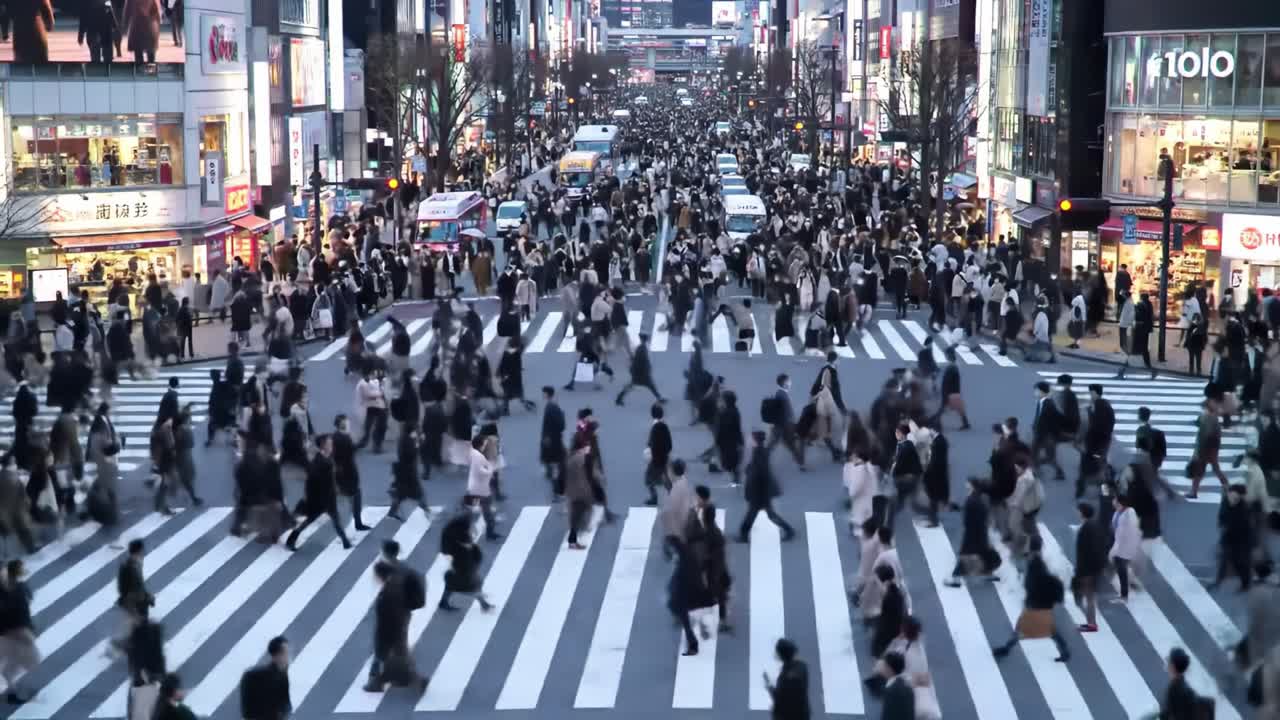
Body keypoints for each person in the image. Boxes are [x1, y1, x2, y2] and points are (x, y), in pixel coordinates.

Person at [992, 535, 1070, 662]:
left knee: (1025, 626)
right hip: (1037, 601)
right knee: (1044, 627)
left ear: (1031, 547)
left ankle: (1007, 648)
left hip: (1036, 602)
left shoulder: (1036, 563)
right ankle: (1064, 650)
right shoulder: (1035, 560)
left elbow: (1039, 581)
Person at [285, 435, 353, 551]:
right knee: (310, 520)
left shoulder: (325, 459)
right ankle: (291, 540)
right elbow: (312, 481)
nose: (332, 446)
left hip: (328, 498)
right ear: (323, 446)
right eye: (329, 444)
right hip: (320, 500)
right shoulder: (320, 462)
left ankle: (346, 542)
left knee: (336, 520)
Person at [738, 430, 796, 542]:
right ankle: (788, 530)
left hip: (759, 489)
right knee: (762, 513)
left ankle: (744, 535)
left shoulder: (759, 452)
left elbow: (760, 471)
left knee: (756, 513)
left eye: (753, 438)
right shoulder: (760, 451)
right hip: (761, 489)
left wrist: (750, 473)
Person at [438, 510, 494, 612]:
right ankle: (484, 604)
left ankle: (443, 602)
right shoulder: (461, 549)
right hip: (462, 571)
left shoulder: (457, 533)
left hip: (459, 570)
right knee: (471, 586)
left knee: (452, 585)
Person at [0, 559, 37, 705]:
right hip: (13, 632)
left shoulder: (18, 587)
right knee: (28, 659)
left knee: (24, 659)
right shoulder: (11, 591)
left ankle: (12, 689)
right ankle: (12, 691)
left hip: (14, 631)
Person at [1073, 502, 1108, 632]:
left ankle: (1092, 624)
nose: (1077, 513)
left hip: (1088, 569)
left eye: (1079, 510)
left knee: (1089, 597)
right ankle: (1090, 623)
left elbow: (1087, 552)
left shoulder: (1086, 528)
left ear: (1083, 513)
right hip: (1093, 568)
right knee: (1089, 596)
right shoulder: (1095, 526)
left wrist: (1081, 571)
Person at [239, 636, 292, 720]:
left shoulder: (282, 675)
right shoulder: (253, 676)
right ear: (277, 655)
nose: (288, 657)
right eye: (285, 653)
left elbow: (286, 703)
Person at [763, 638, 810, 719]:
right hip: (802, 714)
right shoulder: (802, 667)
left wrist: (769, 685)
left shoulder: (785, 678)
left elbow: (779, 698)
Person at [644, 403, 673, 505]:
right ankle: (673, 496)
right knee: (665, 477)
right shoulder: (665, 426)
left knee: (648, 479)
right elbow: (669, 444)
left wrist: (651, 452)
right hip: (664, 457)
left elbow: (653, 443)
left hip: (656, 458)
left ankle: (654, 498)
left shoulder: (656, 427)